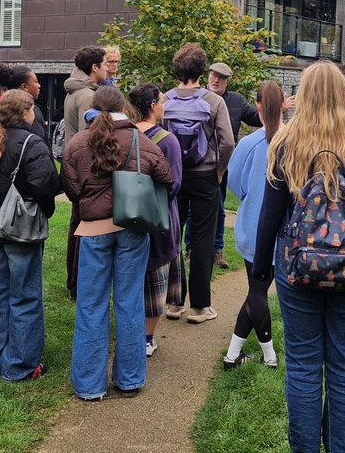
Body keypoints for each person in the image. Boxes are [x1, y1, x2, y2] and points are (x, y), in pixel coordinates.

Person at [253, 60, 345, 453]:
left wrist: (260, 273)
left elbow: (269, 217)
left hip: (297, 269)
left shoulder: (286, 144)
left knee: (305, 365)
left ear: (304, 95)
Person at [61, 85, 172, 400]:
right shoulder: (141, 141)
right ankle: (130, 379)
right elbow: (167, 179)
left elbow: (70, 185)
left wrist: (90, 202)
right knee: (129, 302)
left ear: (94, 107)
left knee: (91, 306)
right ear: (123, 107)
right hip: (132, 229)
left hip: (93, 231)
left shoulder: (79, 142)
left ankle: (89, 385)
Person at [0, 89, 60, 381]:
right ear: (26, 112)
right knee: (25, 296)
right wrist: (43, 210)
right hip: (20, 230)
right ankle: (20, 365)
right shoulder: (32, 143)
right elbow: (46, 184)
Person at [165, 44, 234, 324]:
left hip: (174, 176)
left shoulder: (164, 98)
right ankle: (199, 308)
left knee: (172, 235)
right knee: (203, 240)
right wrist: (219, 171)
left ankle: (173, 302)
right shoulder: (215, 101)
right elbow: (228, 141)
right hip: (205, 177)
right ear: (202, 71)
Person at [222, 79, 284, 369]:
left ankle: (241, 356)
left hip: (252, 228)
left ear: (257, 106)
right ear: (283, 104)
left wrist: (251, 193)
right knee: (257, 291)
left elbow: (233, 183)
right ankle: (259, 356)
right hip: (283, 230)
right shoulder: (295, 140)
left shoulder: (248, 144)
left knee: (255, 290)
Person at [127, 83, 182, 358]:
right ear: (152, 105)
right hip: (159, 219)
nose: (165, 105)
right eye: (162, 101)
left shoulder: (125, 136)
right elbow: (174, 184)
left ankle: (131, 332)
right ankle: (147, 338)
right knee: (156, 285)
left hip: (127, 216)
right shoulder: (167, 140)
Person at [202, 61, 262, 269]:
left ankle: (217, 250)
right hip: (200, 164)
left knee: (219, 208)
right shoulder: (198, 97)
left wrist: (274, 109)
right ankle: (192, 250)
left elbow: (256, 118)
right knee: (195, 210)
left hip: (223, 165)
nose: (215, 80)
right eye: (213, 75)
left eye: (220, 77)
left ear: (227, 81)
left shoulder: (236, 101)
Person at [62, 46, 108, 298]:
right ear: (94, 68)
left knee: (76, 226)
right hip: (86, 172)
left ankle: (74, 283)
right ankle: (79, 287)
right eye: (104, 64)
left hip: (74, 169)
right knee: (84, 229)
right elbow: (88, 137)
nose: (108, 68)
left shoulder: (75, 90)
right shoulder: (88, 97)